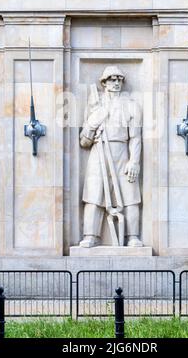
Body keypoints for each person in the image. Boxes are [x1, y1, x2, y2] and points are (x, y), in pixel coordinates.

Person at [79, 65, 143, 248]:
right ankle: (91, 236)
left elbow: (136, 137)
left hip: (122, 151)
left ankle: (133, 236)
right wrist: (93, 122)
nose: (116, 83)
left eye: (119, 79)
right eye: (111, 79)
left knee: (130, 195)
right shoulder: (94, 106)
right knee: (94, 193)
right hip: (99, 151)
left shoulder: (132, 106)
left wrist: (134, 161)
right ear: (104, 83)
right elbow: (84, 142)